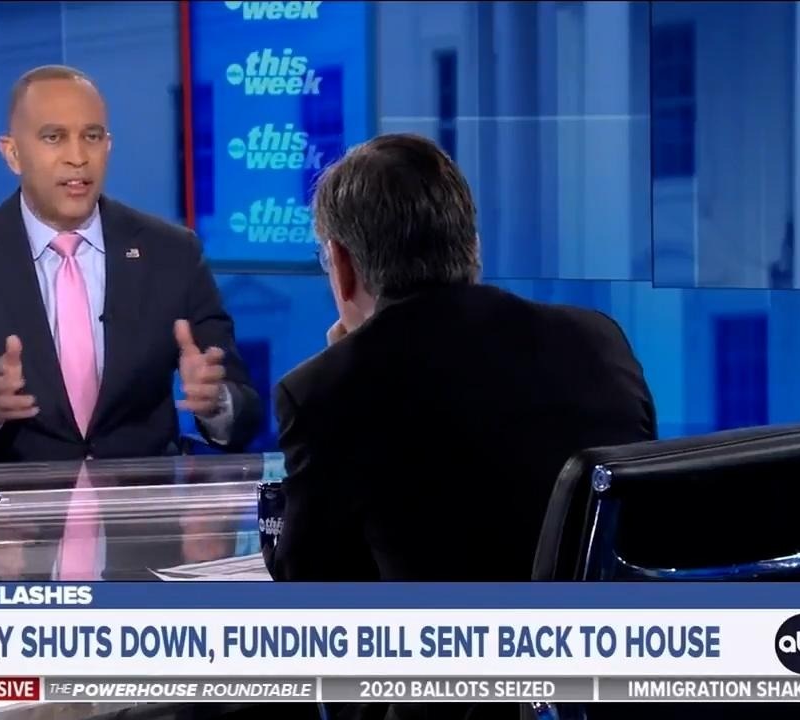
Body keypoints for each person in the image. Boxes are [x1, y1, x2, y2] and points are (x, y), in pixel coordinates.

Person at [265, 133, 657, 583]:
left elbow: (310, 592)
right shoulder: (599, 342)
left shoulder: (325, 393)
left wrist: (344, 368)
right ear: (473, 247)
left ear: (342, 263)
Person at [0, 65, 262, 465]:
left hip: (139, 514)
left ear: (108, 146)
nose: (78, 158)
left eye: (91, 137)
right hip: (13, 518)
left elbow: (246, 410)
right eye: (53, 137)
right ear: (12, 154)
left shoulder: (172, 253)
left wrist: (216, 402)